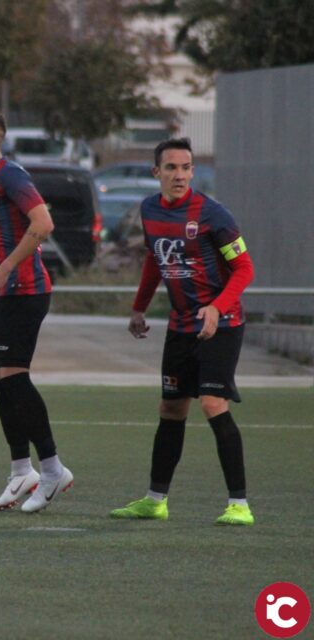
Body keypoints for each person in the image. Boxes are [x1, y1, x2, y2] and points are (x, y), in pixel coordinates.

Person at [110, 137, 255, 526]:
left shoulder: (213, 214)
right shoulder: (150, 210)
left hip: (222, 323)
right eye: (171, 167)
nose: (180, 174)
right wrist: (139, 308)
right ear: (156, 172)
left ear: (193, 171)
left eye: (186, 167)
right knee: (171, 408)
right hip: (180, 325)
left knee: (211, 403)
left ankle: (239, 504)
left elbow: (244, 270)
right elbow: (155, 263)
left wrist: (216, 307)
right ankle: (155, 500)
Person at [0, 106, 73, 513]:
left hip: (25, 291)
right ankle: (22, 469)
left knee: (15, 379)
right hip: (4, 292)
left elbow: (42, 224)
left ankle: (54, 469)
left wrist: (3, 271)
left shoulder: (10, 175)